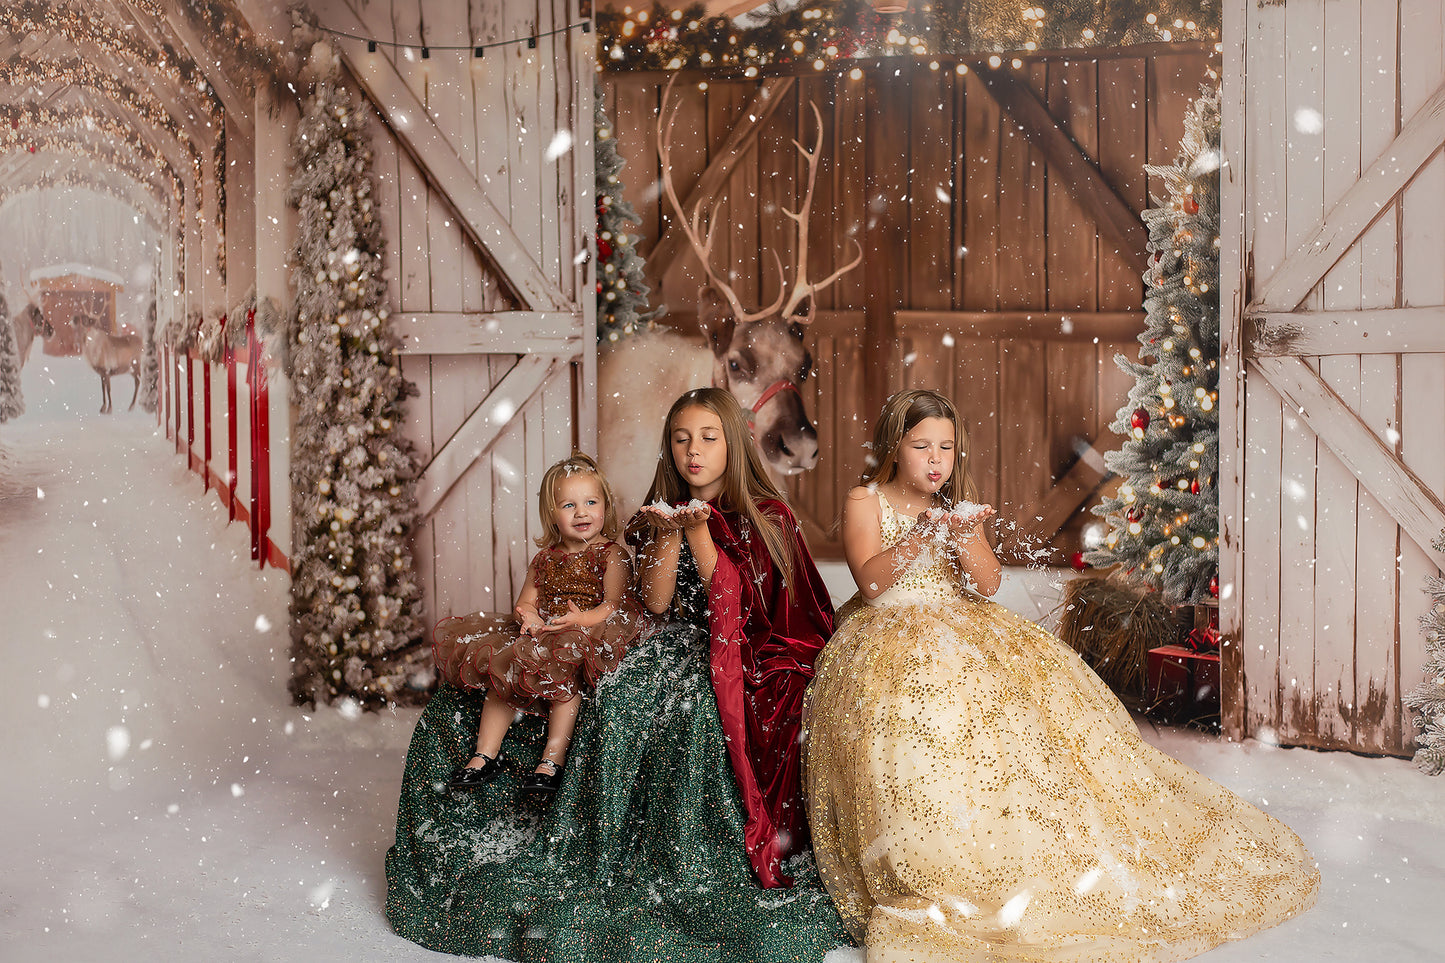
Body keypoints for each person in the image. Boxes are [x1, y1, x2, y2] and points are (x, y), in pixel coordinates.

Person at [802, 388, 1320, 963]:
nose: (935, 460)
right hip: (890, 634)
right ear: (895, 448)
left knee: (1022, 727)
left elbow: (988, 585)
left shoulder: (955, 506)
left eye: (946, 448)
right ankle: (930, 858)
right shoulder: (866, 500)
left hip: (964, 626)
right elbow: (871, 583)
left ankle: (1021, 847)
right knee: (915, 730)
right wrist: (923, 536)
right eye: (921, 446)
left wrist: (966, 537)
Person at [386, 391, 850, 960]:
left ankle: (677, 854)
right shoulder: (657, 512)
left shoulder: (764, 514)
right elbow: (656, 604)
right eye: (682, 439)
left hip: (734, 647)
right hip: (670, 640)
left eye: (708, 438)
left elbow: (729, 602)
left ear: (733, 442)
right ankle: (602, 846)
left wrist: (702, 532)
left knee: (690, 716)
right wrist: (671, 532)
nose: (693, 452)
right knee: (616, 700)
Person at [431, 452, 638, 797]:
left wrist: (579, 620)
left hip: (584, 632)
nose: (582, 512)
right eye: (569, 505)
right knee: (504, 671)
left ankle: (552, 761)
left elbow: (612, 605)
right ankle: (485, 754)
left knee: (564, 673)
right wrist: (528, 617)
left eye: (590, 502)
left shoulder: (611, 554)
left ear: (605, 506)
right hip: (546, 629)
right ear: (552, 514)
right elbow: (525, 601)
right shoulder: (544, 558)